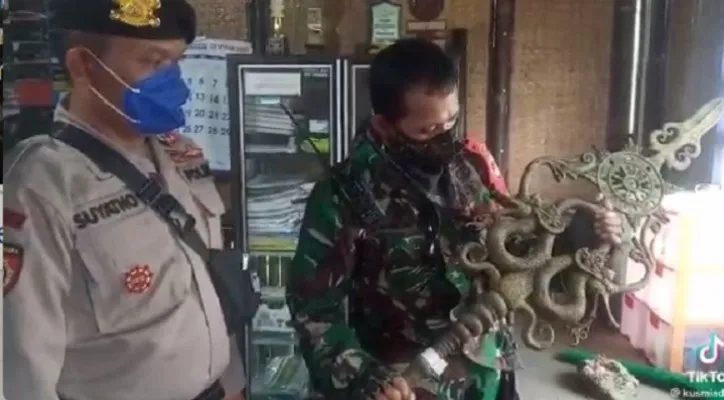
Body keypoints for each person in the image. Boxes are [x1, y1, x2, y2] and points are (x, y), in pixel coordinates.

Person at [286, 38, 624, 400]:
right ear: (384, 125)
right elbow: (314, 310)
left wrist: (586, 233)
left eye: (451, 121)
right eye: (427, 131)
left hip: (486, 372)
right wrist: (365, 378)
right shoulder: (342, 196)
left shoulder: (471, 168)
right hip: (404, 383)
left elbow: (516, 247)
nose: (445, 138)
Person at [2, 1, 245, 399]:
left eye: (176, 63)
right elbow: (21, 362)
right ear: (83, 65)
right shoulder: (40, 185)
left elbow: (205, 286)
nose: (174, 81)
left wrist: (232, 385)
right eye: (153, 62)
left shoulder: (180, 154)